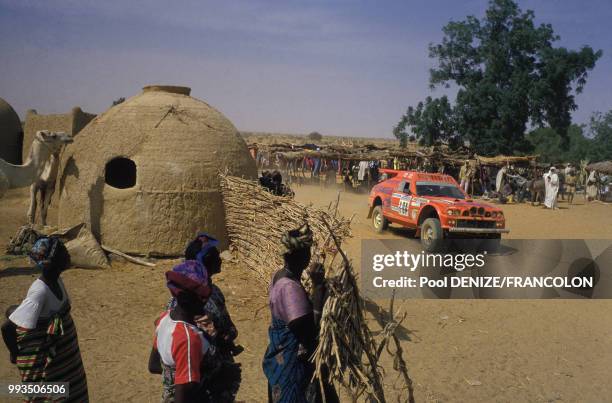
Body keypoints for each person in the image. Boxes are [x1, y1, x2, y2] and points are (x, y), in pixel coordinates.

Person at [1, 237, 89, 402]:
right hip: (53, 369)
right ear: (52, 262)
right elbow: (7, 328)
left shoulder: (57, 280)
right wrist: (15, 354)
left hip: (68, 364)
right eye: (63, 253)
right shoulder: (39, 291)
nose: (68, 255)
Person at [262, 224, 338, 403]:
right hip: (292, 366)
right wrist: (318, 287)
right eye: (308, 251)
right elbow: (309, 330)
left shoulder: (280, 275)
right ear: (303, 255)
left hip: (281, 354)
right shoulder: (289, 288)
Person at [148, 260, 214, 403]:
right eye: (203, 297)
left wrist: (173, 377)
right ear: (192, 299)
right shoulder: (188, 339)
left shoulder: (164, 319)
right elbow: (184, 396)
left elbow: (153, 366)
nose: (206, 301)